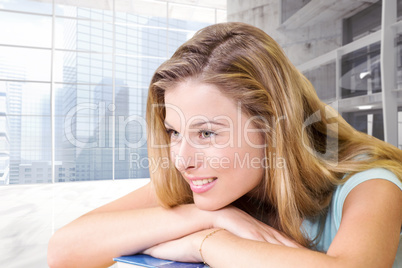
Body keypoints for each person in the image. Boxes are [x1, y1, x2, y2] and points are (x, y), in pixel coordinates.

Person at [47, 22, 402, 268]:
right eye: (174, 133)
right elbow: (65, 251)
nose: (183, 160)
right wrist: (203, 215)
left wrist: (206, 242)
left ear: (273, 128)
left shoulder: (370, 183)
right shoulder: (208, 186)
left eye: (206, 134)